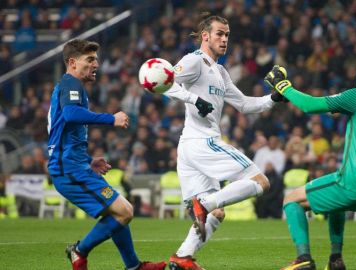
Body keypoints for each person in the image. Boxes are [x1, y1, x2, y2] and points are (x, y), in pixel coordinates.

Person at [264, 55, 356, 270]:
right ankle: (336, 259)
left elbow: (310, 105)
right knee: (338, 204)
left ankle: (303, 259)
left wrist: (283, 86)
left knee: (291, 200)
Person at [162, 14, 287, 270]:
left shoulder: (219, 71)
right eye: (219, 33)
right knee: (259, 181)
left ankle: (182, 257)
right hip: (202, 142)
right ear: (205, 36)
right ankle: (203, 205)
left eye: (227, 34)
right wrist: (194, 100)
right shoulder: (194, 61)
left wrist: (273, 98)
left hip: (190, 147)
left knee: (217, 214)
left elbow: (243, 104)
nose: (224, 39)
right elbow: (165, 83)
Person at [47, 39, 166, 270]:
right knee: (125, 211)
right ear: (72, 63)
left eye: (96, 59)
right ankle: (79, 251)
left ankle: (133, 266)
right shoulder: (71, 84)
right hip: (69, 170)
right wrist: (111, 119)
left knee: (118, 210)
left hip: (75, 165)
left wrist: (88, 160)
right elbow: (71, 115)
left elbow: (62, 130)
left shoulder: (70, 86)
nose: (96, 64)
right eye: (90, 59)